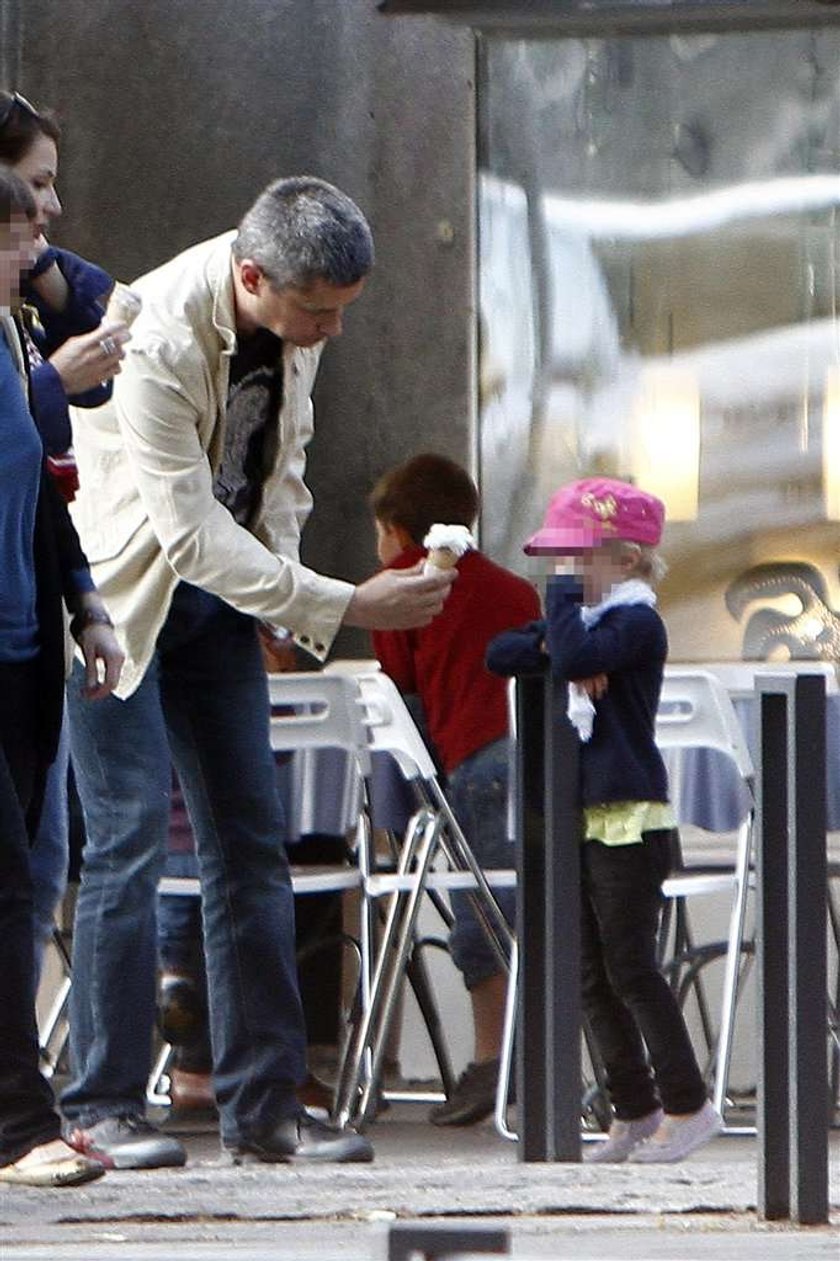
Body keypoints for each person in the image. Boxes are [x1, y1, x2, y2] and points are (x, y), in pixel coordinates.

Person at [62, 175, 455, 1170]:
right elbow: (187, 531)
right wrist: (340, 604)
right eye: (315, 311)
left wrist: (280, 603)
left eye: (341, 313)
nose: (327, 331)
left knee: (251, 842)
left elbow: (282, 470)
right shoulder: (152, 335)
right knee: (127, 841)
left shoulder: (293, 328)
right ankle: (105, 1099)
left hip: (217, 602)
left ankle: (264, 1109)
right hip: (115, 605)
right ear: (251, 276)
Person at [486, 476, 723, 1163]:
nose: (562, 574)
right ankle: (634, 1106)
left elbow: (583, 655)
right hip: (583, 816)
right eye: (556, 562)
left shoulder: (635, 621)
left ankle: (688, 1102)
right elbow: (498, 653)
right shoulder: (585, 628)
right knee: (588, 970)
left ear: (625, 561)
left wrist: (564, 639)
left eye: (576, 559)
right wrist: (554, 649)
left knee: (631, 964)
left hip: (632, 818)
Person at [0, 164, 122, 1187]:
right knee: (9, 880)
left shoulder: (13, 339)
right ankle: (18, 1122)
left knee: (22, 879)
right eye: (17, 233)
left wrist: (85, 604)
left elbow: (40, 490)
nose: (34, 254)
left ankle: (21, 1113)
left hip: (22, 647)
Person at [368, 453, 541, 1125]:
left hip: (473, 755)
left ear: (396, 530)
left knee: (481, 909)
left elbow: (398, 693)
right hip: (532, 752)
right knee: (524, 902)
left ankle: (493, 1060)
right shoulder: (512, 587)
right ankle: (539, 1050)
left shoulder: (397, 585)